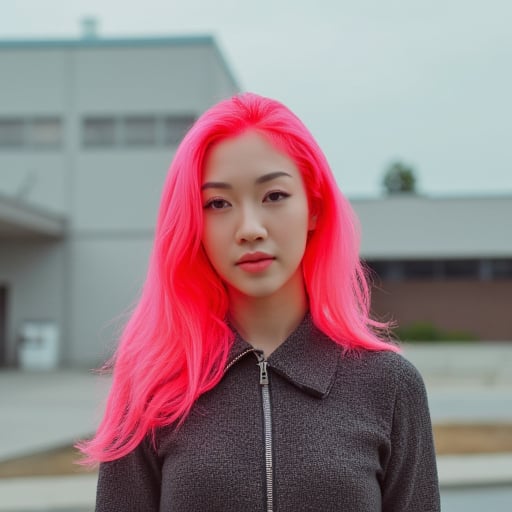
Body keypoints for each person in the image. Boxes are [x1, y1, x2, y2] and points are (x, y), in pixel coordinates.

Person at [79, 92, 440, 511]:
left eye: (274, 196)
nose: (249, 228)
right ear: (194, 224)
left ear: (315, 208)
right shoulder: (150, 388)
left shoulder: (391, 386)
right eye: (218, 203)